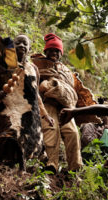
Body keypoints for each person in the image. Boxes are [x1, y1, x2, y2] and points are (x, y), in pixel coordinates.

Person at [0, 34, 53, 171]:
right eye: (18, 43)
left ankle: (22, 166)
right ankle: (5, 164)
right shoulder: (2, 66)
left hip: (29, 111)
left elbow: (36, 94)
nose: (22, 46)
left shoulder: (33, 69)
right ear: (11, 47)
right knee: (9, 137)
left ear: (29, 49)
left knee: (27, 138)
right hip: (8, 109)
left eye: (25, 44)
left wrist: (45, 114)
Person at [31, 33, 82, 173]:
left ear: (61, 53)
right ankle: (51, 164)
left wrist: (59, 87)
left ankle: (75, 168)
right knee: (50, 129)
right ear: (45, 51)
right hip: (47, 103)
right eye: (51, 50)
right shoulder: (37, 64)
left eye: (56, 51)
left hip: (65, 107)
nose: (53, 53)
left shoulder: (66, 70)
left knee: (72, 133)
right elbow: (32, 82)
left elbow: (72, 89)